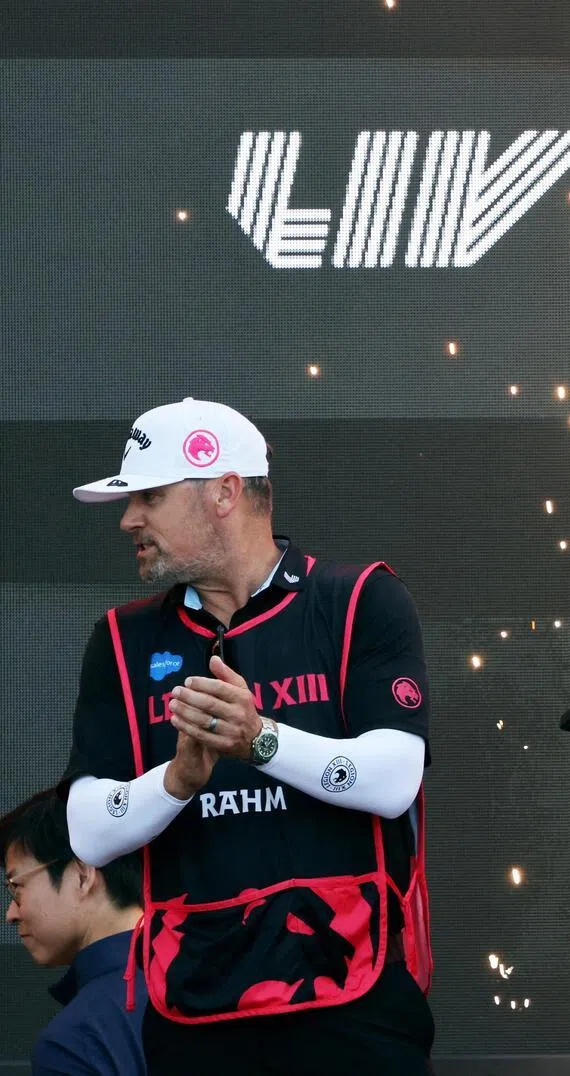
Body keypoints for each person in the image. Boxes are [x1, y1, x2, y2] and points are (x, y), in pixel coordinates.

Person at [62, 397, 434, 1075]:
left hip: (354, 1004)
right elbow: (87, 830)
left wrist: (261, 739)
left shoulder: (357, 601)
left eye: (149, 496)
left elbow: (394, 779)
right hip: (196, 1011)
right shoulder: (121, 639)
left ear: (224, 491)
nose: (128, 519)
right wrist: (177, 782)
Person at [2, 789, 146, 1076]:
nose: (10, 914)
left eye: (16, 887)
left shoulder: (74, 1042)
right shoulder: (221, 981)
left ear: (82, 875)